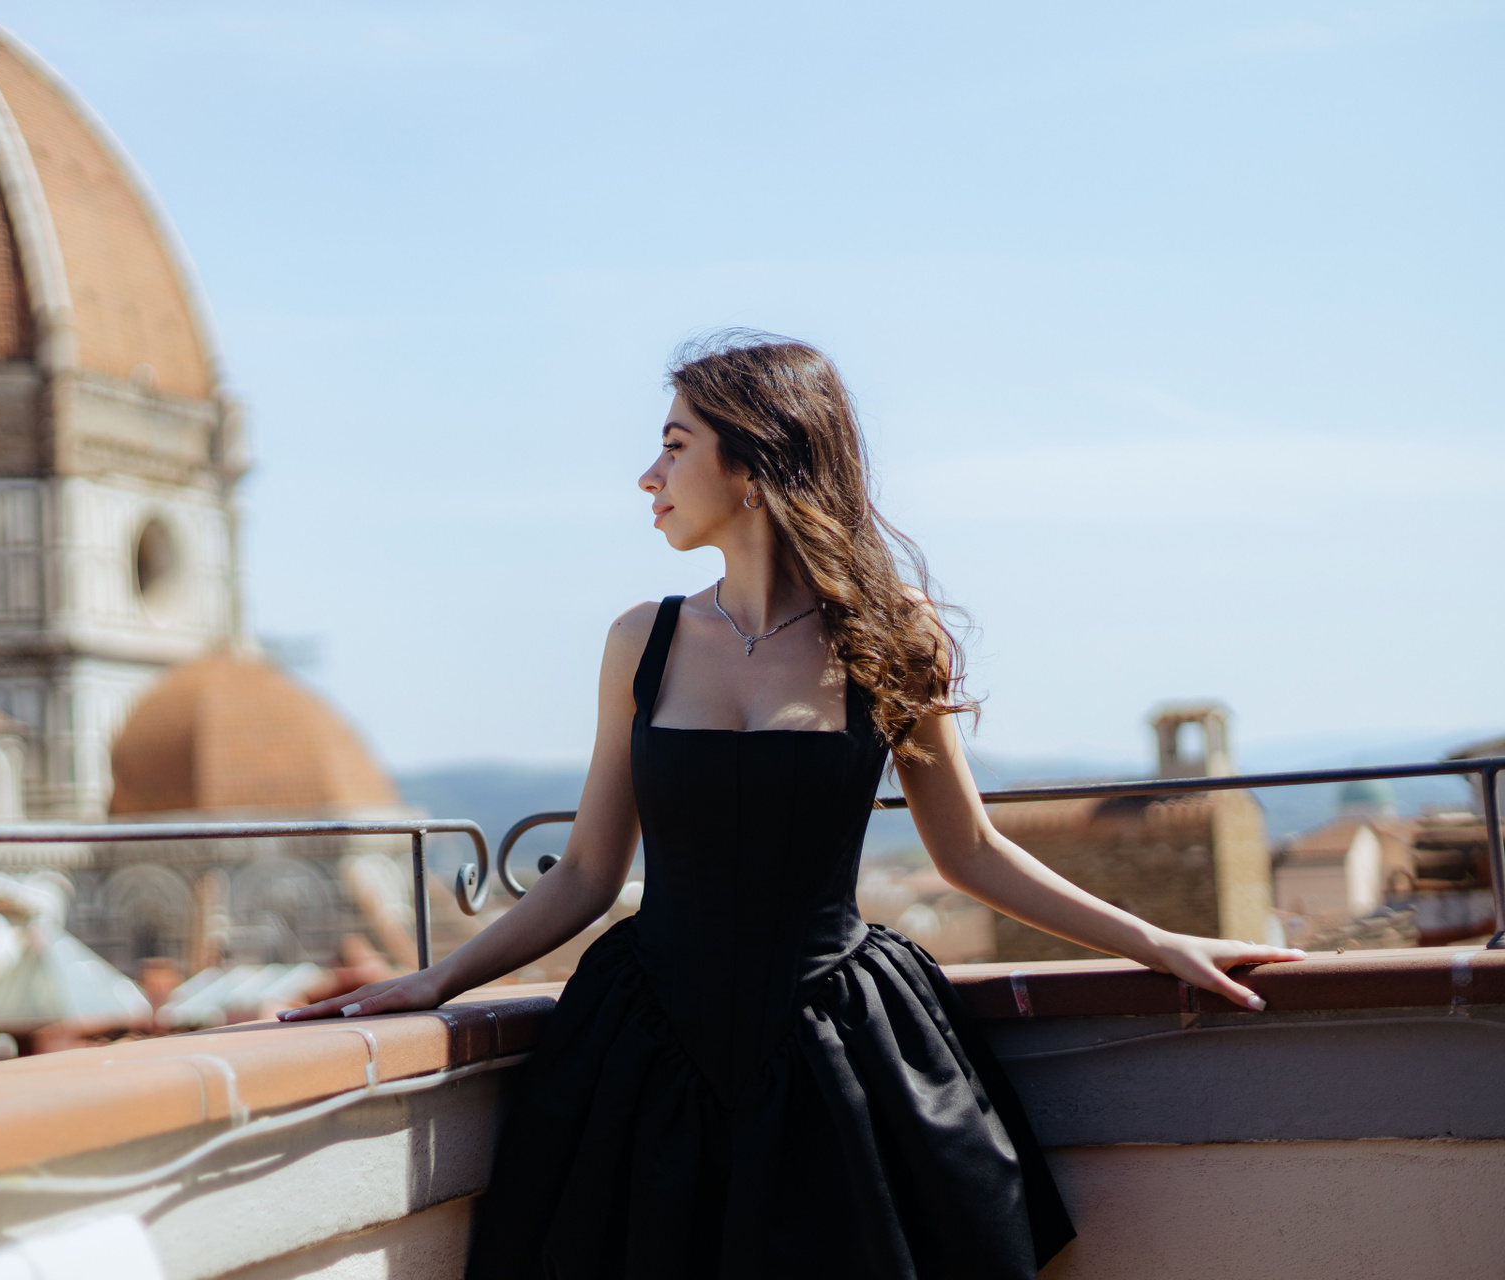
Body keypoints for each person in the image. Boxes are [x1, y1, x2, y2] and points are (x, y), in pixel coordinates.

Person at [281, 333, 1305, 1277]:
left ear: (755, 461)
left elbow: (971, 851)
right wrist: (438, 979)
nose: (648, 476)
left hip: (836, 1054)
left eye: (674, 445)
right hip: (644, 1054)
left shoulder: (891, 637)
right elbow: (590, 871)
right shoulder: (641, 639)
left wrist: (1158, 944)